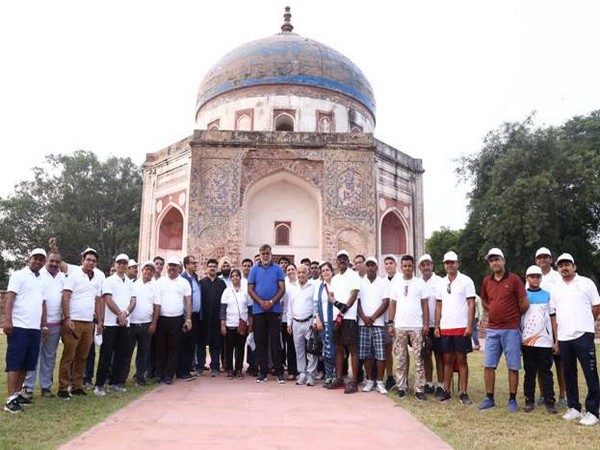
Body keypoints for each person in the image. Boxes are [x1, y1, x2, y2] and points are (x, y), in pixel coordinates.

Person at [550, 253, 600, 426]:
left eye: (567, 264)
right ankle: (574, 407)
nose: (564, 268)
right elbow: (555, 313)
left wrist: (586, 322)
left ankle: (593, 411)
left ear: (574, 266)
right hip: (564, 337)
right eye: (561, 265)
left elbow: (596, 306)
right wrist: (557, 338)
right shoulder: (556, 288)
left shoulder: (586, 283)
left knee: (590, 373)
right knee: (569, 374)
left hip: (583, 335)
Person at [479, 248, 529, 412]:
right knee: (488, 365)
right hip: (492, 330)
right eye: (491, 260)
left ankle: (512, 399)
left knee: (513, 366)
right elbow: (485, 301)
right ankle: (489, 398)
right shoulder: (487, 281)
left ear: (503, 260)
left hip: (511, 330)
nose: (494, 263)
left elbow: (524, 303)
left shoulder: (514, 279)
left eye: (497, 259)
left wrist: (512, 315)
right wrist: (493, 310)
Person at [3, 248, 47, 413]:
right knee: (15, 362)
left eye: (41, 259)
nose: (38, 261)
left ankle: (17, 393)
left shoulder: (42, 279)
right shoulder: (18, 275)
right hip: (19, 326)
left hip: (34, 328)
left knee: (27, 363)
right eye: (35, 258)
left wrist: (43, 325)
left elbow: (42, 303)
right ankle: (10, 400)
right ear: (29, 258)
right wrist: (7, 320)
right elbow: (10, 298)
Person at [58, 248, 103, 399]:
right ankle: (63, 388)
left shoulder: (97, 278)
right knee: (68, 355)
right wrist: (67, 317)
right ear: (82, 260)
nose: (90, 263)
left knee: (82, 356)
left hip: (89, 322)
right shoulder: (74, 275)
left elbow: (97, 301)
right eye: (88, 259)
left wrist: (100, 321)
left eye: (93, 261)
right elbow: (66, 296)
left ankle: (77, 386)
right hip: (74, 321)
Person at [434, 251, 476, 405]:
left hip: (461, 326)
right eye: (447, 263)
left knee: (462, 360)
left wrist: (469, 325)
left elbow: (471, 303)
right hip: (446, 327)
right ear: (444, 265)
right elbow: (438, 304)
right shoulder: (441, 283)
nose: (449, 265)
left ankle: (463, 392)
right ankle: (446, 391)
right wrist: (437, 325)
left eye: (452, 262)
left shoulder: (466, 281)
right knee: (447, 360)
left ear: (457, 263)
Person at [23, 251, 64, 399]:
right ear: (47, 261)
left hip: (56, 323)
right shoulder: (39, 276)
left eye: (57, 262)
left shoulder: (62, 278)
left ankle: (46, 387)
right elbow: (41, 301)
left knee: (50, 356)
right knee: (33, 355)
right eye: (51, 261)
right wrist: (44, 324)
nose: (54, 264)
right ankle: (28, 387)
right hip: (38, 324)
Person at [94, 254, 136, 396]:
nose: (122, 265)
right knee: (106, 355)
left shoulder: (130, 282)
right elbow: (108, 299)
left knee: (121, 355)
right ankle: (99, 385)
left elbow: (133, 301)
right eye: (119, 263)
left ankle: (114, 383)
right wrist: (120, 314)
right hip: (110, 324)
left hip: (125, 323)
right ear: (115, 264)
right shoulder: (108, 281)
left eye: (124, 263)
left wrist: (126, 313)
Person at [387, 255, 428, 400]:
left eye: (410, 266)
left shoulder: (419, 283)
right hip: (400, 326)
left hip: (416, 325)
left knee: (419, 358)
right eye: (404, 266)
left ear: (413, 266)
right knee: (401, 358)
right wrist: (390, 323)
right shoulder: (396, 284)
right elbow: (392, 304)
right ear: (401, 267)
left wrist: (425, 324)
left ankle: (419, 389)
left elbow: (424, 304)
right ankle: (402, 387)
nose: (407, 269)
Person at [533, 247, 566, 408]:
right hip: (540, 326)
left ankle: (562, 395)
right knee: (541, 363)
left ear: (551, 260)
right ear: (536, 260)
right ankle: (543, 393)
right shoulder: (532, 276)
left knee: (560, 362)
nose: (543, 260)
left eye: (546, 257)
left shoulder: (558, 276)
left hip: (557, 322)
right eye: (540, 257)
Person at [521, 265, 557, 414]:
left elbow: (553, 318)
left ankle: (550, 401)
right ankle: (529, 400)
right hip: (527, 340)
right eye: (532, 276)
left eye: (538, 276)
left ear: (541, 278)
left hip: (545, 340)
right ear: (527, 278)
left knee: (546, 371)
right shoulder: (522, 296)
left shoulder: (548, 295)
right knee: (529, 371)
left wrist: (556, 340)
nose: (535, 279)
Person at [248, 244, 286, 383]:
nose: (265, 255)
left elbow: (282, 289)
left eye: (267, 253)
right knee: (260, 342)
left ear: (271, 254)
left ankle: (279, 372)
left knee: (276, 342)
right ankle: (262, 372)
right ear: (260, 254)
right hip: (258, 311)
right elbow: (250, 289)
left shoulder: (277, 269)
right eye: (263, 253)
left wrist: (271, 302)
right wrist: (261, 302)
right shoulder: (254, 269)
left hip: (274, 310)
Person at [153, 257, 192, 384]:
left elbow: (188, 302)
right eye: (170, 265)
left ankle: (169, 375)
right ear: (167, 267)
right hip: (162, 319)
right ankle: (159, 374)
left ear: (179, 267)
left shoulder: (184, 282)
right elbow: (156, 302)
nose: (172, 268)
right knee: (160, 348)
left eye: (174, 266)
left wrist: (189, 319)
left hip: (177, 319)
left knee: (173, 349)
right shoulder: (160, 282)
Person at [330, 250, 361, 394]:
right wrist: (338, 308)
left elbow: (354, 295)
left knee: (352, 349)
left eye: (344, 259)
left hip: (348, 318)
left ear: (348, 261)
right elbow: (332, 296)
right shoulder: (335, 278)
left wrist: (345, 308)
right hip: (337, 318)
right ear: (336, 261)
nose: (341, 261)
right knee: (338, 348)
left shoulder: (353, 275)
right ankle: (339, 378)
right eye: (339, 259)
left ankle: (354, 381)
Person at [357, 257, 389, 394]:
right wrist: (364, 318)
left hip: (379, 324)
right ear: (365, 267)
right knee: (366, 354)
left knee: (380, 355)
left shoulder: (383, 282)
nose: (370, 268)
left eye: (372, 265)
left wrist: (374, 317)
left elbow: (386, 302)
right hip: (363, 324)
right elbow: (357, 302)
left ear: (377, 267)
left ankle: (380, 382)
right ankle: (370, 380)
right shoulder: (360, 282)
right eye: (368, 265)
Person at [126, 261, 159, 386]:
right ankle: (122, 377)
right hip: (132, 323)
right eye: (146, 269)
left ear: (153, 272)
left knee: (143, 353)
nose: (148, 272)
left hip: (146, 324)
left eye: (151, 270)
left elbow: (157, 307)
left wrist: (153, 324)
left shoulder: (155, 287)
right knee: (127, 352)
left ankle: (140, 377)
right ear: (142, 270)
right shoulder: (133, 284)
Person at [287, 264, 317, 386]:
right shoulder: (293, 288)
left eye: (303, 272)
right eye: (299, 272)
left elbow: (315, 305)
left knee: (311, 350)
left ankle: (311, 375)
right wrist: (289, 322)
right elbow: (290, 306)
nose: (300, 275)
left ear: (308, 273)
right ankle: (302, 374)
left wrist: (315, 321)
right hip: (296, 323)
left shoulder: (312, 287)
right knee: (299, 350)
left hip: (309, 322)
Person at [418, 253, 444, 396]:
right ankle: (429, 383)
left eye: (428, 264)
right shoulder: (417, 282)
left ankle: (440, 384)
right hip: (423, 326)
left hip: (438, 325)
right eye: (423, 264)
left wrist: (439, 325)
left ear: (432, 265)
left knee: (439, 356)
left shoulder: (440, 281)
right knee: (426, 355)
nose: (426, 267)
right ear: (420, 267)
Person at [220, 269, 252, 379]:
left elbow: (250, 308)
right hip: (230, 324)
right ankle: (230, 369)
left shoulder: (245, 292)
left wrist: (251, 323)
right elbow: (223, 309)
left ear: (240, 277)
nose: (235, 278)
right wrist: (223, 325)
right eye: (232, 276)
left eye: (237, 276)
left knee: (240, 348)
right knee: (229, 348)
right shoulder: (226, 291)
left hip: (242, 325)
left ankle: (238, 369)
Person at [199, 258, 227, 376]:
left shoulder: (221, 284)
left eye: (214, 266)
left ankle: (215, 366)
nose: (212, 268)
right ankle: (200, 366)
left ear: (217, 268)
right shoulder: (201, 283)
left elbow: (225, 302)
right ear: (207, 268)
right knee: (200, 343)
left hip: (217, 318)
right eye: (210, 266)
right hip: (204, 318)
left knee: (216, 344)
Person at [178, 255, 202, 381]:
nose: (195, 265)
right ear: (186, 265)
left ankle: (188, 369)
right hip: (186, 316)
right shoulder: (182, 279)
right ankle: (182, 371)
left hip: (196, 316)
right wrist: (186, 317)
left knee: (192, 344)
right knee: (184, 343)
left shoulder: (195, 278)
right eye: (193, 263)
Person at [313, 261, 336, 386]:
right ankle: (328, 376)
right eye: (323, 271)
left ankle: (336, 376)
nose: (325, 272)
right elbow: (317, 305)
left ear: (332, 271)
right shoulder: (321, 286)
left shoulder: (336, 284)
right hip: (323, 322)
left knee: (334, 351)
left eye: (327, 270)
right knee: (326, 352)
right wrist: (318, 319)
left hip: (335, 323)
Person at [382, 255, 399, 391]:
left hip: (401, 320)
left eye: (391, 263)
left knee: (401, 352)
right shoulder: (383, 282)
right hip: (387, 321)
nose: (388, 265)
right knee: (387, 349)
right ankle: (390, 376)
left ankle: (402, 378)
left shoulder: (401, 279)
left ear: (396, 264)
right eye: (386, 263)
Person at [282, 264, 299, 380]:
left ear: (296, 271)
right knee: (288, 346)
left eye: (292, 269)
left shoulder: (300, 283)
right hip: (284, 318)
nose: (290, 271)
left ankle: (300, 370)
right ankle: (291, 370)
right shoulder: (284, 283)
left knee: (298, 346)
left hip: (297, 318)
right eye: (288, 270)